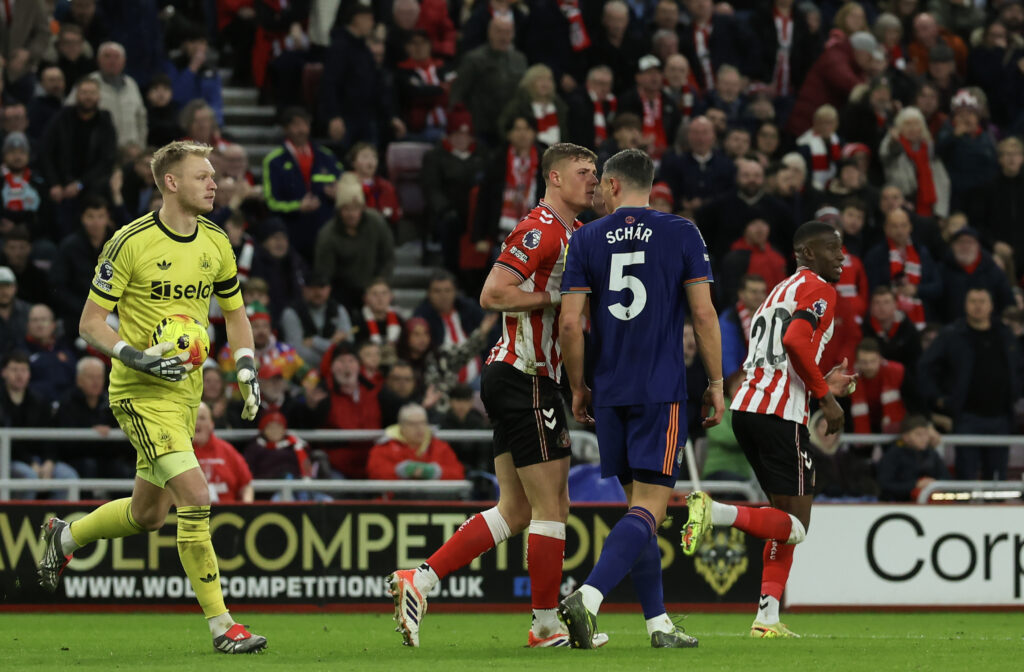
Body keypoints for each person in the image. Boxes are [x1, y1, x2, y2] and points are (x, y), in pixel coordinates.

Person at [37, 140, 267, 653]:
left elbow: (235, 315)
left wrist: (246, 366)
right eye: (203, 176)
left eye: (213, 175)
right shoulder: (129, 242)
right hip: (139, 392)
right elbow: (90, 322)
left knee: (148, 515)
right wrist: (135, 356)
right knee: (196, 495)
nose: (214, 183)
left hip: (186, 394)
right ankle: (223, 626)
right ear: (171, 182)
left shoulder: (216, 242)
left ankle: (64, 537)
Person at [388, 143, 602, 649]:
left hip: (517, 376)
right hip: (526, 374)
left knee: (517, 510)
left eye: (596, 172)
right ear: (554, 177)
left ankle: (420, 579)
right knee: (552, 506)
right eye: (583, 171)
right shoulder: (540, 228)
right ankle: (545, 626)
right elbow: (493, 293)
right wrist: (554, 298)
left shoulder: (574, 231)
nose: (592, 179)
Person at [556, 148, 722, 648]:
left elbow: (570, 323)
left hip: (610, 391)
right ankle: (587, 597)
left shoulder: (586, 237)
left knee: (640, 509)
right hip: (659, 389)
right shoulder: (681, 231)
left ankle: (658, 624)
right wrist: (716, 383)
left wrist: (578, 385)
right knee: (651, 507)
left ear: (612, 184)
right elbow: (704, 315)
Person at [683, 220, 856, 638]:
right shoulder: (819, 289)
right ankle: (715, 511)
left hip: (747, 409)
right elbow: (795, 342)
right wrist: (826, 398)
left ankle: (767, 617)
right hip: (779, 416)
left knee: (781, 520)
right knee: (796, 527)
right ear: (808, 253)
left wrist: (821, 383)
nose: (842, 256)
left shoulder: (777, 293)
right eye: (833, 248)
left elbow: (773, 360)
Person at [918, 288, 1020, 481]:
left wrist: (1016, 392)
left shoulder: (1004, 334)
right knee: (966, 474)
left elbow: (1018, 367)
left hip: (1001, 416)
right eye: (973, 301)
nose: (977, 306)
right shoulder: (952, 335)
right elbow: (925, 368)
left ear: (991, 306)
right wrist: (938, 399)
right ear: (965, 305)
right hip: (966, 416)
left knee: (997, 477)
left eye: (982, 301)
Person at [262, 106, 344, 262]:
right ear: (286, 128)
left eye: (305, 124)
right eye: (296, 124)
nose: (301, 129)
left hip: (326, 231)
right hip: (292, 232)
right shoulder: (274, 161)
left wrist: (340, 193)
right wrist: (298, 206)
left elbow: (345, 185)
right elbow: (271, 201)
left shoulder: (327, 156)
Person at [314, 174, 395, 311]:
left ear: (362, 208)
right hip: (342, 294)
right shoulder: (327, 235)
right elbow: (325, 274)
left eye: (356, 208)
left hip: (374, 288)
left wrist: (379, 285)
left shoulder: (376, 223)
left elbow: (388, 257)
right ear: (339, 210)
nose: (351, 214)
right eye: (346, 209)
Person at [367, 403, 465, 481]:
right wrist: (400, 471)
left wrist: (436, 472)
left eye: (423, 423)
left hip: (434, 498)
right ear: (401, 426)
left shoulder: (440, 447)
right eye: (412, 424)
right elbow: (374, 472)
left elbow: (458, 473)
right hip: (397, 498)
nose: (419, 428)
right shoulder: (385, 447)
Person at [281, 271, 352, 367]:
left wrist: (315, 342)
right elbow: (296, 352)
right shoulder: (291, 312)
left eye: (321, 287)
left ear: (329, 289)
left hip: (336, 370)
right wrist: (333, 346)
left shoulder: (338, 310)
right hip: (303, 370)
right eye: (312, 288)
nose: (317, 292)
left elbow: (348, 347)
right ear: (304, 289)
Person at [192, 402, 254, 504]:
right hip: (189, 511)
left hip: (226, 511)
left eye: (202, 418)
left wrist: (247, 508)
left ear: (212, 424)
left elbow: (246, 485)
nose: (196, 422)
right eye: (192, 418)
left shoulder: (227, 450)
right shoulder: (177, 452)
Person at [876, 415, 947, 502]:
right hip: (900, 503)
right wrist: (915, 485)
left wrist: (934, 483)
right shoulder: (893, 455)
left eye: (926, 434)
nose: (924, 438)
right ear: (905, 437)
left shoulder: (932, 454)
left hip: (932, 500)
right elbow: (884, 485)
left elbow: (946, 478)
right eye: (918, 434)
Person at [850, 337, 906, 434]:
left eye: (873, 361)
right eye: (864, 362)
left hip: (896, 425)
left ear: (880, 359)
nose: (869, 366)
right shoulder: (849, 380)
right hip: (863, 426)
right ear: (857, 362)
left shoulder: (897, 372)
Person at [720, 274, 768, 380]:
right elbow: (727, 358)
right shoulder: (729, 319)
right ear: (741, 294)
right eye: (754, 292)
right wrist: (734, 380)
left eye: (762, 292)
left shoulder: (770, 318)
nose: (759, 296)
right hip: (738, 379)